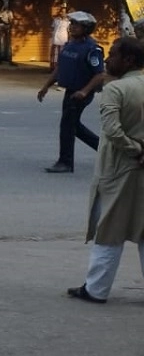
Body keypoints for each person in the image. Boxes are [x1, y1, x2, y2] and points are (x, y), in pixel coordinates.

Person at [67, 37, 144, 304]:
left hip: (119, 168)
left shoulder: (116, 89)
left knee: (109, 230)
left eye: (112, 54)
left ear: (129, 60)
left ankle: (96, 289)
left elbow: (112, 130)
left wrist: (135, 150)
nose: (107, 60)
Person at [37, 11, 105, 173]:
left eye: (76, 24)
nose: (71, 27)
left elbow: (100, 74)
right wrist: (46, 86)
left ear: (86, 28)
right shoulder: (70, 45)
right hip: (70, 91)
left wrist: (84, 91)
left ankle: (66, 162)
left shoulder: (92, 49)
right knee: (74, 126)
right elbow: (61, 68)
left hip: (80, 93)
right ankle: (107, 152)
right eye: (71, 23)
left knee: (68, 126)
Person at [51, 3, 69, 72]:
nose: (62, 13)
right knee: (54, 54)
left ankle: (61, 68)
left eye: (64, 12)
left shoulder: (68, 21)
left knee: (62, 53)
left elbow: (69, 31)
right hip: (55, 38)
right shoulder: (56, 20)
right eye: (61, 12)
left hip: (63, 39)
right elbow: (52, 28)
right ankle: (53, 68)